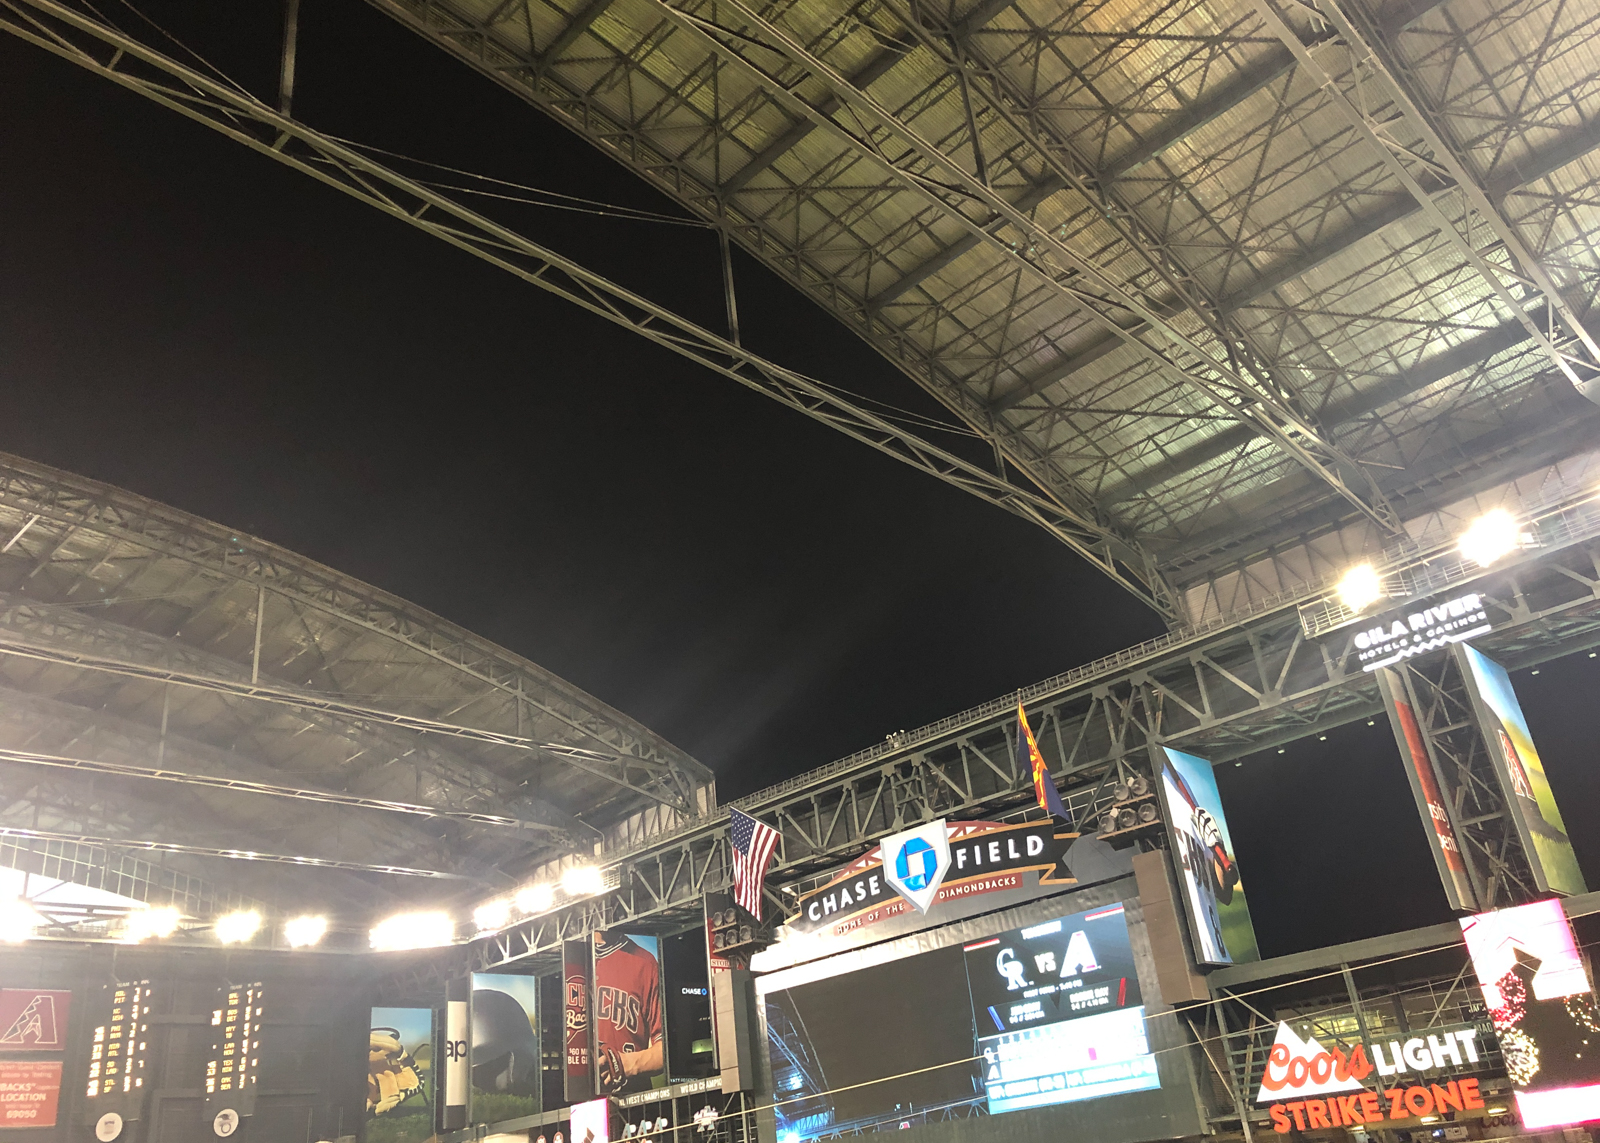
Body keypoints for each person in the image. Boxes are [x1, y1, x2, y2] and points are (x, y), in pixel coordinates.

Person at [593, 931, 664, 1094]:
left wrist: (626, 1063)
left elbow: (666, 1051)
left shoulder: (644, 962)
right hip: (572, 1097)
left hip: (630, 1094)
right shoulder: (563, 960)